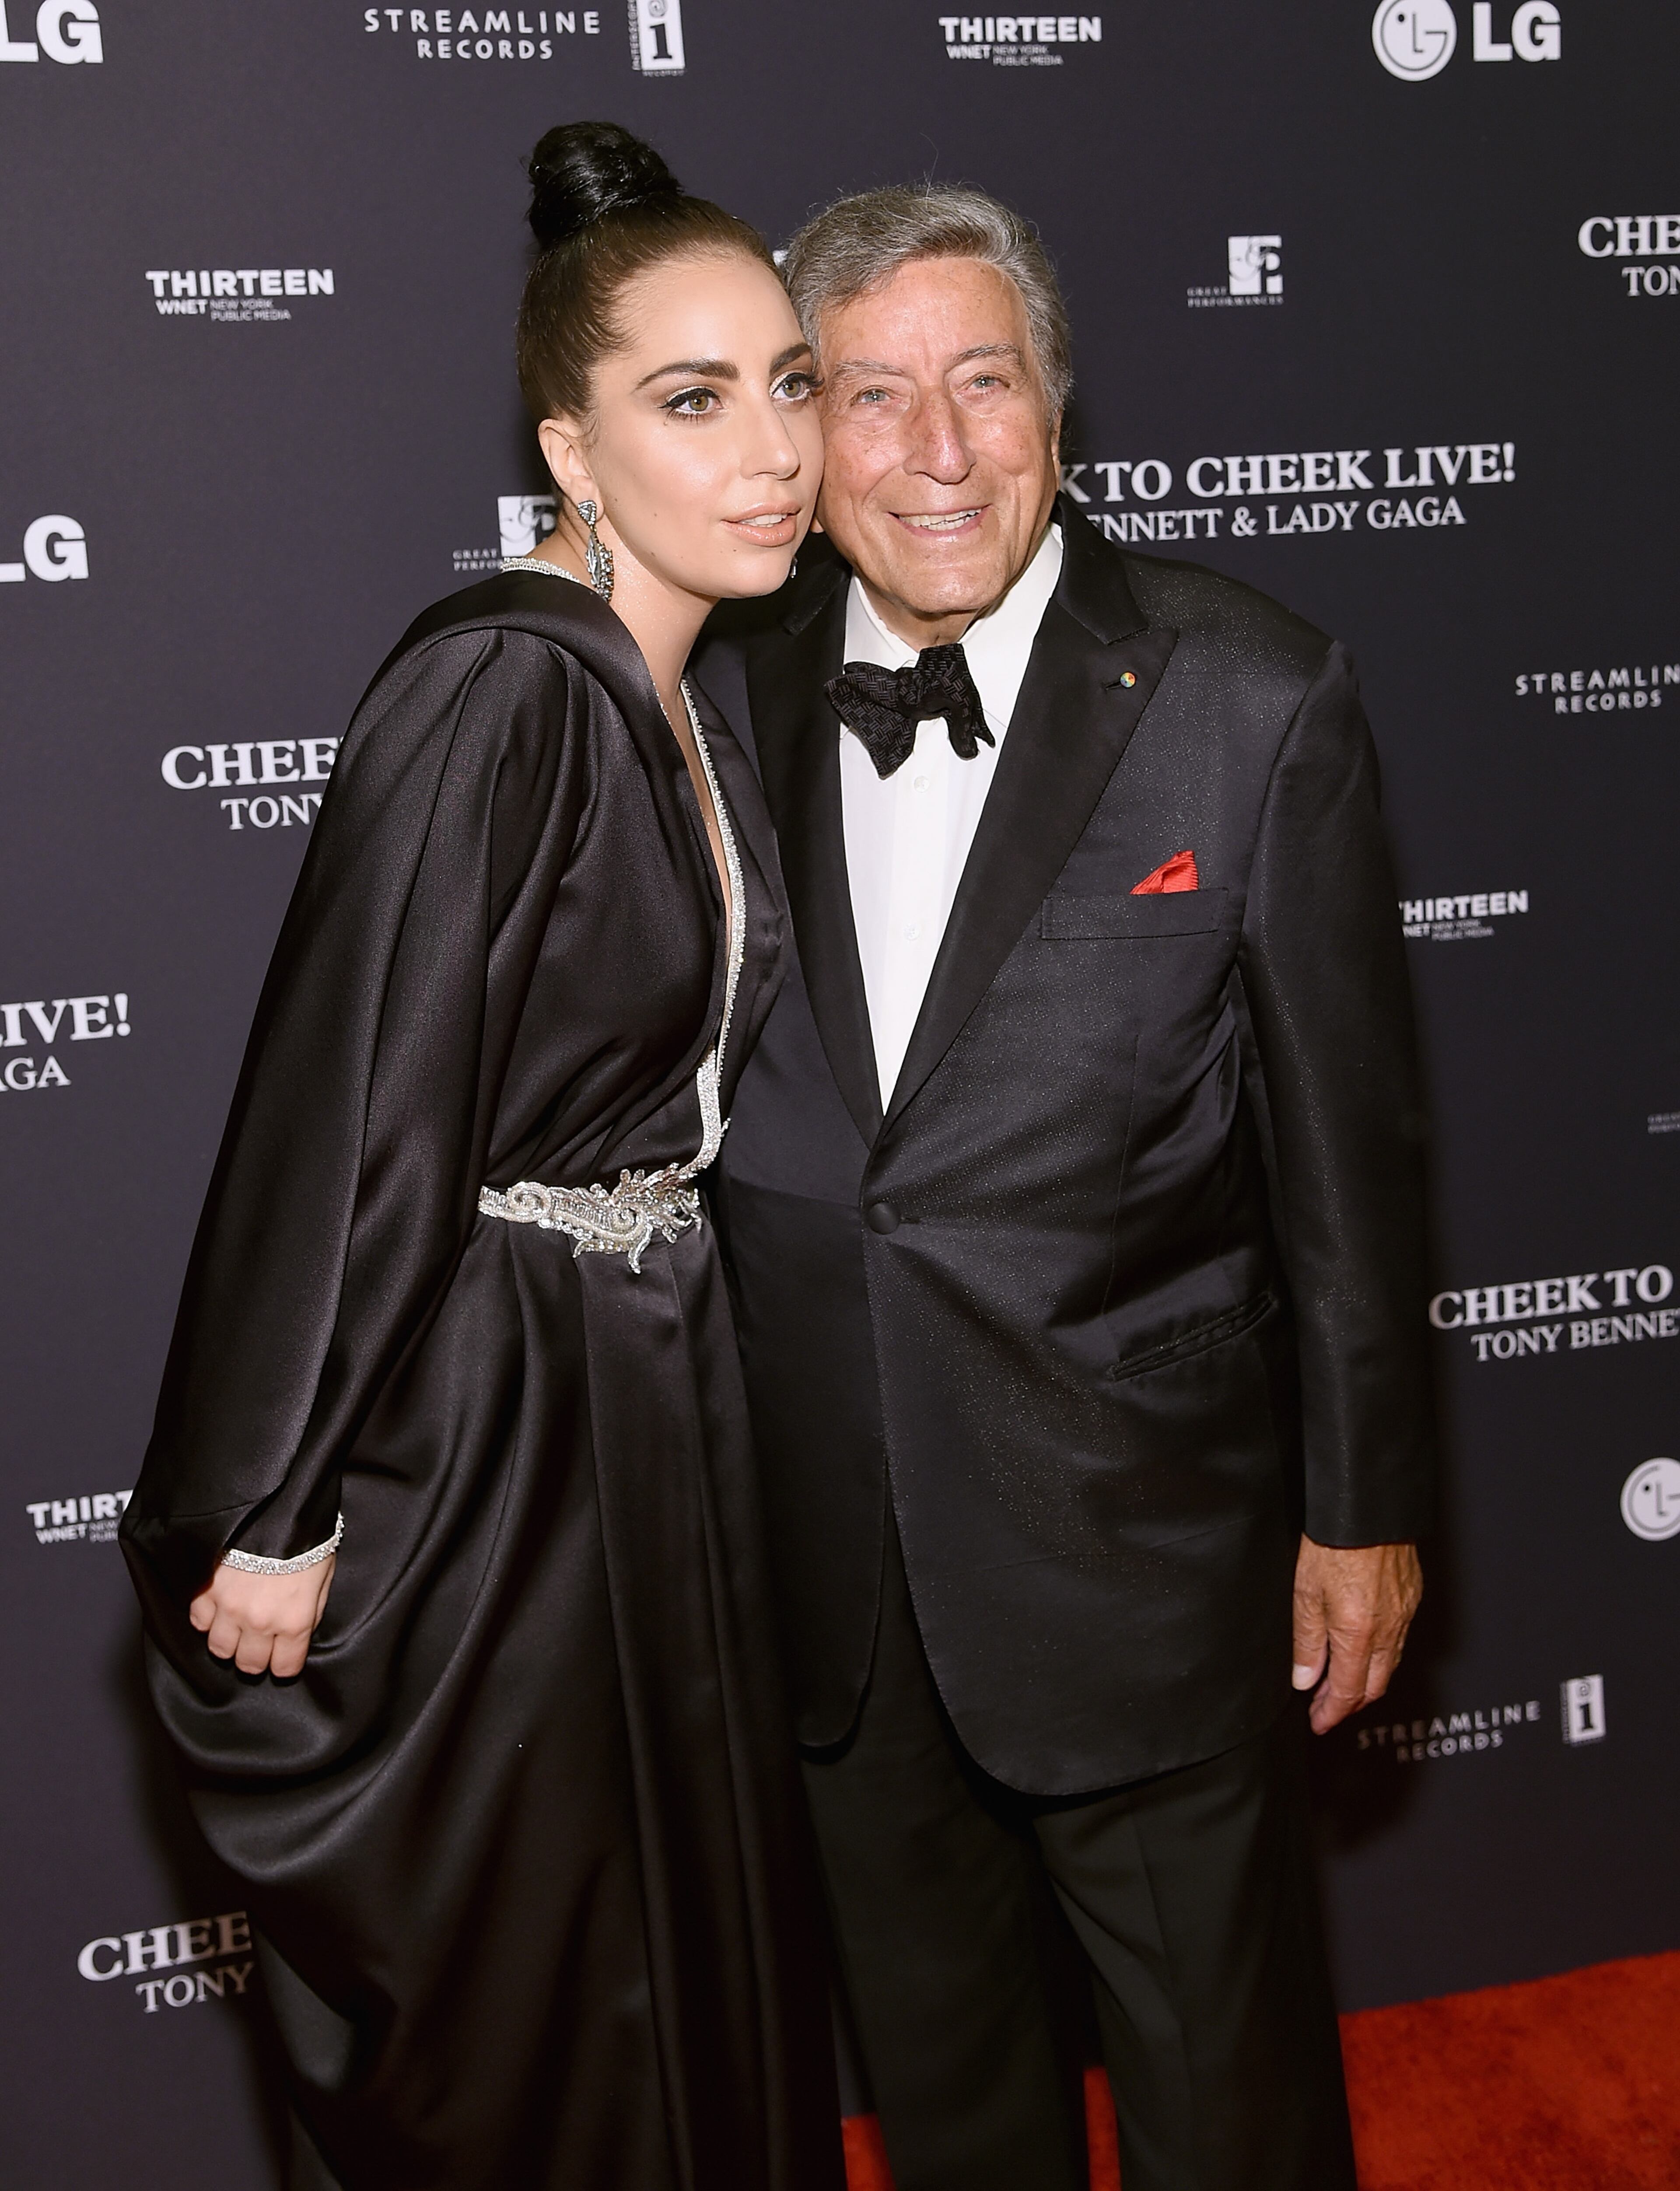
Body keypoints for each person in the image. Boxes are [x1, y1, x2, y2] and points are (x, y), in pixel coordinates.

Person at [120, 122, 844, 2191]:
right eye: (690, 401)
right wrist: (273, 1489)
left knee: (677, 1954)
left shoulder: (687, 696)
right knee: (543, 2012)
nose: (770, 447)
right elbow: (352, 1099)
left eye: (787, 381)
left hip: (646, 1396)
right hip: (495, 1428)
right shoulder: (501, 691)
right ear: (570, 448)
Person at [694, 181, 1435, 2191]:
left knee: (1229, 2099)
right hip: (838, 1568)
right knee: (945, 2099)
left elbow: (1351, 1162)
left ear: (1057, 404)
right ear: (799, 432)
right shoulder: (702, 689)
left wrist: (1362, 1510)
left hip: (1144, 1553)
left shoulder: (1251, 693)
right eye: (872, 394)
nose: (938, 452)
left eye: (984, 383)